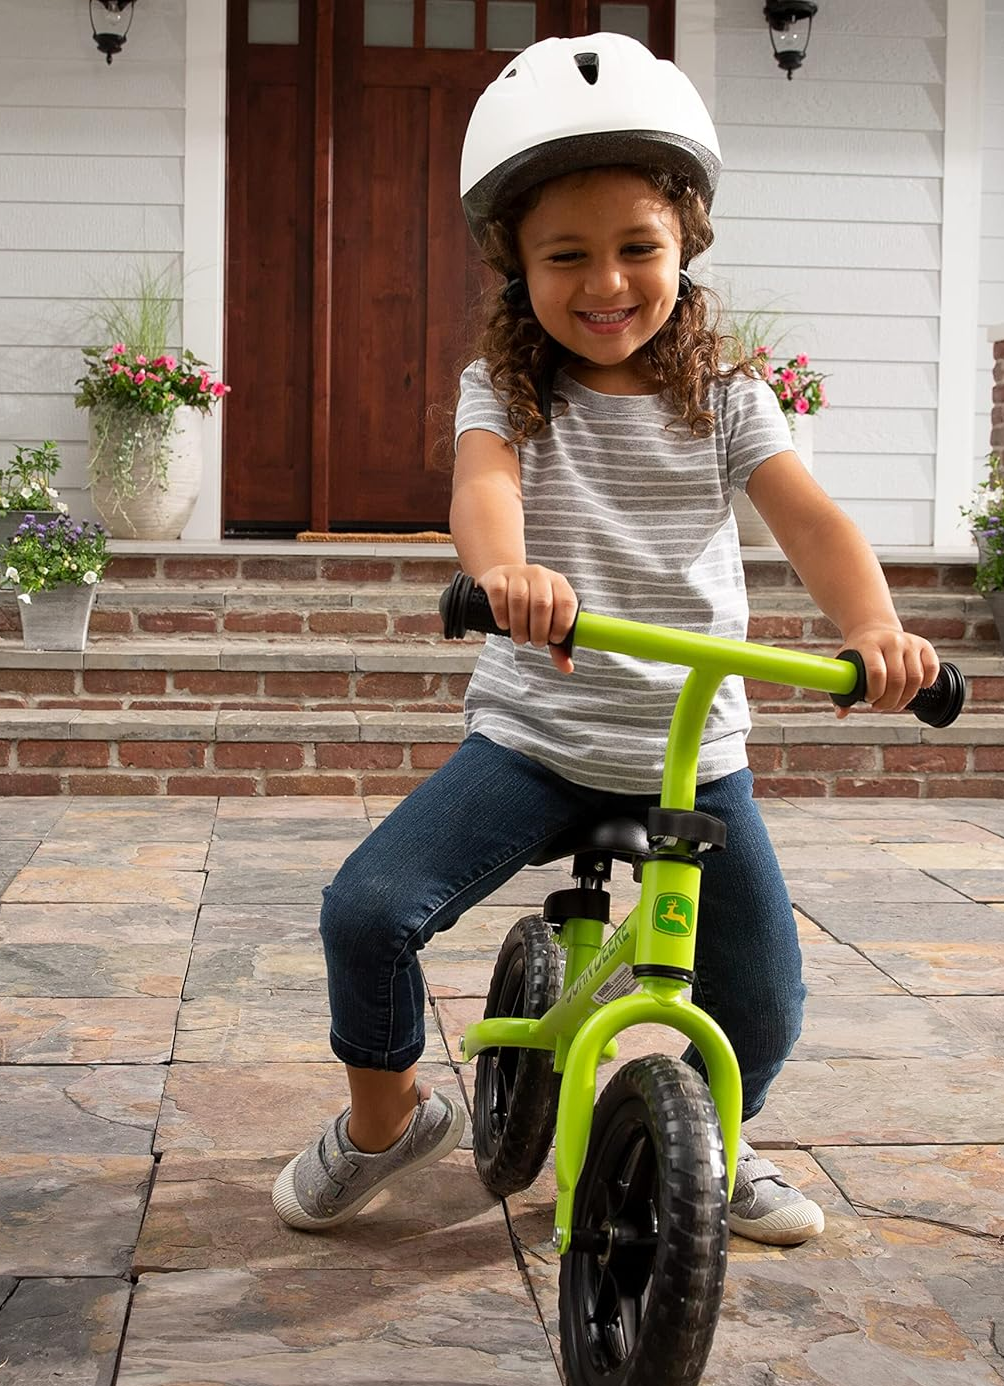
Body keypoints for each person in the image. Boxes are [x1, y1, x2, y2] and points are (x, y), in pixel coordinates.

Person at [273, 33, 939, 1246]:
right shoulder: (507, 389)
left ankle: (719, 1153)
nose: (608, 281)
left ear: (685, 248)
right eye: (565, 255)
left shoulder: (732, 401)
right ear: (513, 264)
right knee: (368, 910)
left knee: (768, 1003)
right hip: (539, 733)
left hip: (693, 752)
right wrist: (507, 572)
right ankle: (386, 1122)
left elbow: (814, 521)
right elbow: (484, 491)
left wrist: (876, 627)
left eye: (639, 248)